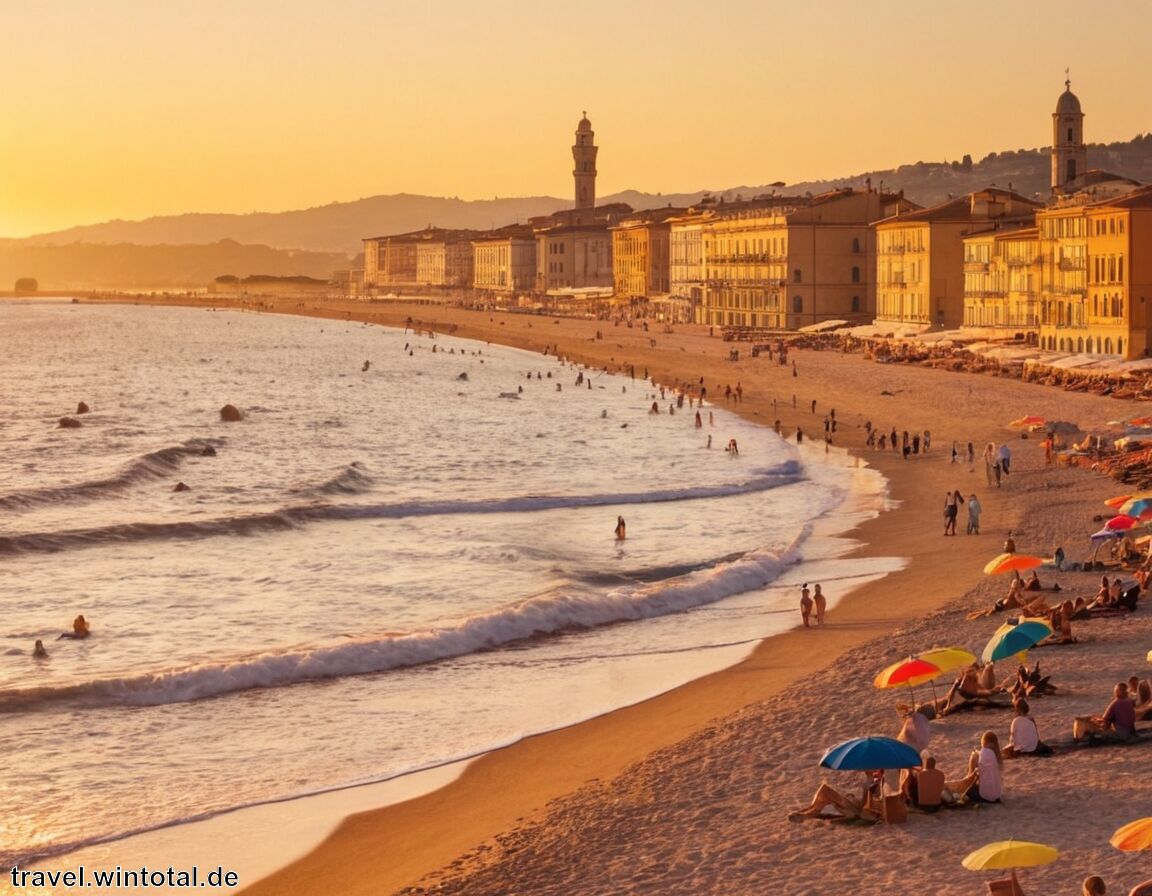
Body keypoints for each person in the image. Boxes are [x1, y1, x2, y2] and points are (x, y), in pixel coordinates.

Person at [788, 772, 882, 822]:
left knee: (825, 790)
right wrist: (853, 798)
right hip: (854, 807)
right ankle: (807, 812)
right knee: (824, 795)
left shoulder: (872, 781)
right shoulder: (873, 779)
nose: (864, 769)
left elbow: (865, 805)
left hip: (855, 810)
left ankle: (806, 813)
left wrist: (855, 802)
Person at [954, 730, 1003, 803]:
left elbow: (978, 774)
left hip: (987, 796)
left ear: (984, 740)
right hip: (997, 795)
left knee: (968, 793)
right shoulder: (995, 754)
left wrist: (973, 772)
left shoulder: (984, 751)